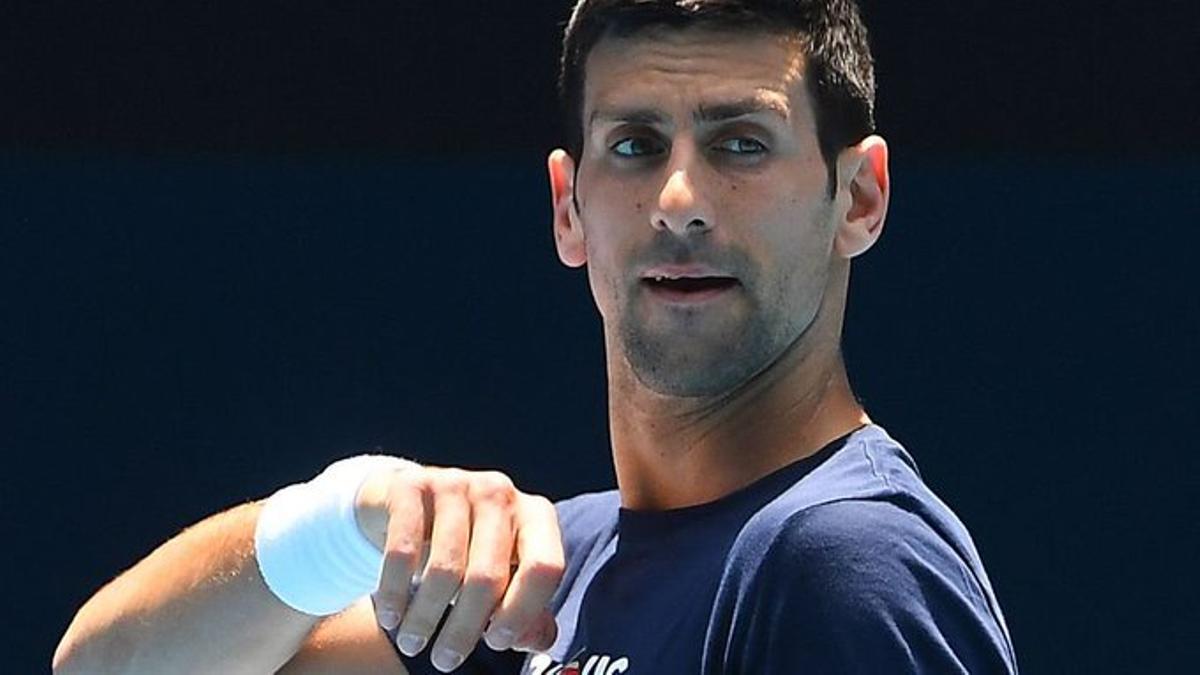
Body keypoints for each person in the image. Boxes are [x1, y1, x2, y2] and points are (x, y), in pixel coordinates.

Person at [54, 0, 1019, 673]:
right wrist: (348, 512)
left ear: (857, 197)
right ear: (569, 207)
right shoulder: (557, 565)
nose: (679, 201)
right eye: (636, 146)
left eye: (740, 143)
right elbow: (107, 665)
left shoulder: (842, 560)